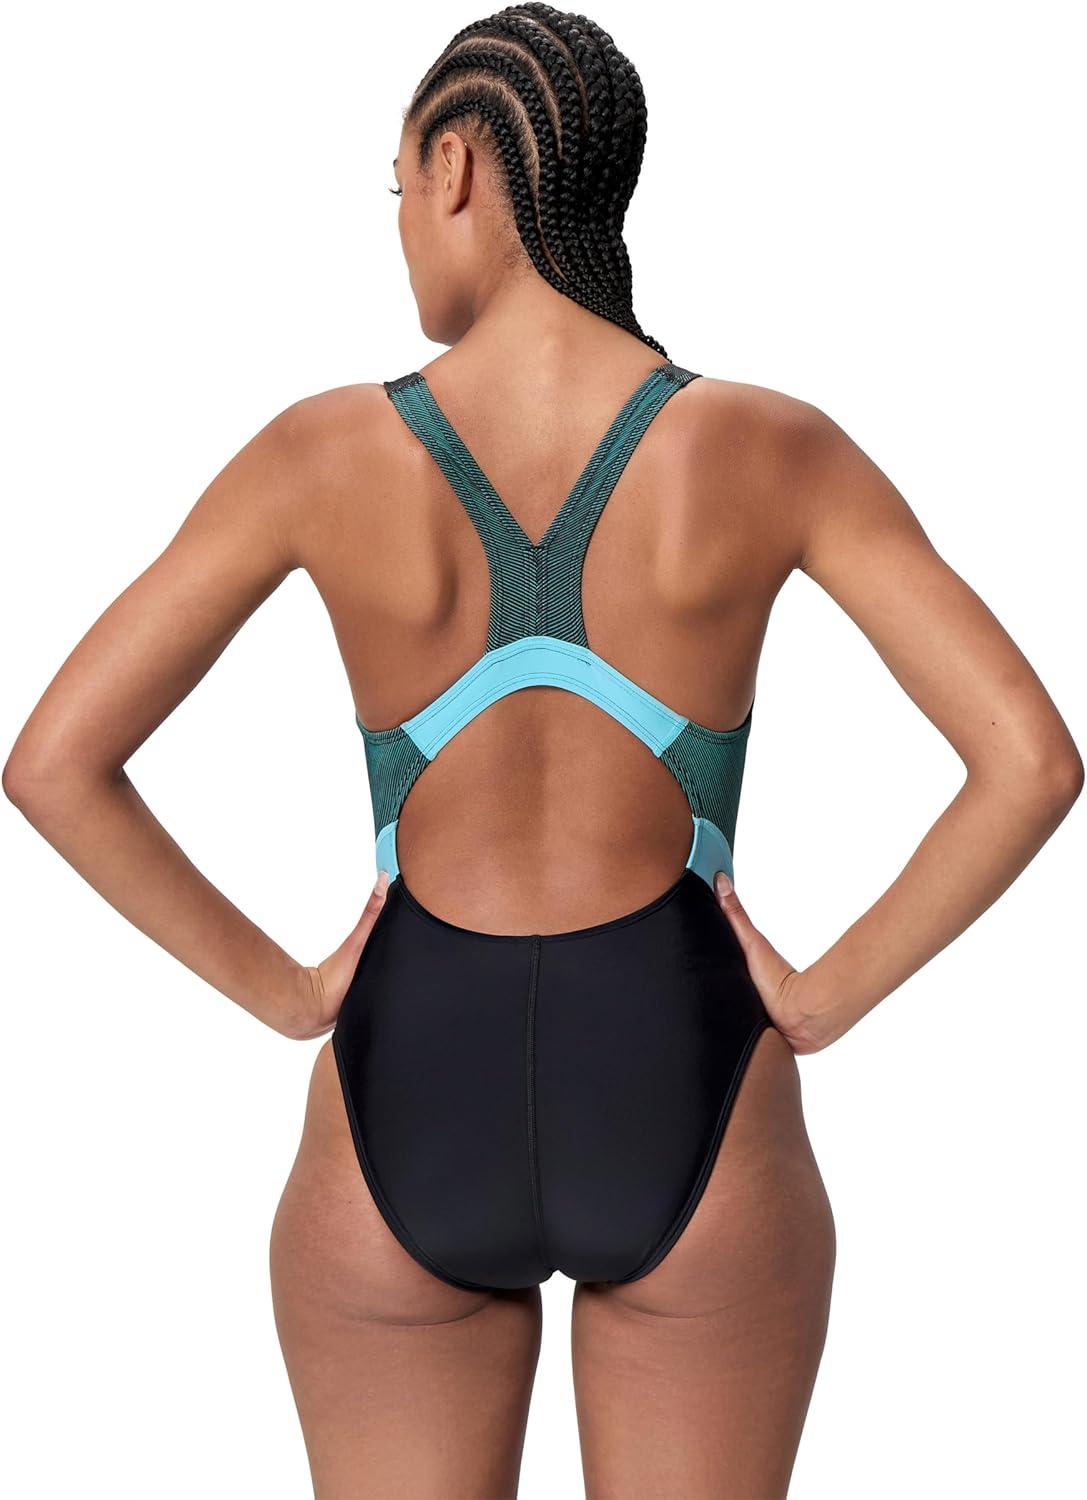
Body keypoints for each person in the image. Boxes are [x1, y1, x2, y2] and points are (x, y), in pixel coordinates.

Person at [4, 4, 1082, 1497]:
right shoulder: (768, 447)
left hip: (405, 1078)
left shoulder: (322, 454)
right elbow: (1031, 759)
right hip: (690, 1072)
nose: (398, 227)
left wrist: (292, 992)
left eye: (394, 187)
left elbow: (52, 763)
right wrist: (818, 1000)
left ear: (455, 167)